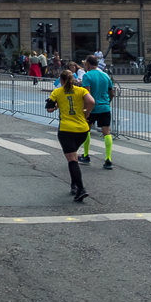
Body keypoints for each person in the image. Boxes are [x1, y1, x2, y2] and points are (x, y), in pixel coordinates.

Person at [45, 69, 94, 202]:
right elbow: (91, 101)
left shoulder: (57, 92)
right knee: (74, 156)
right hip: (82, 129)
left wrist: (55, 107)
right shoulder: (81, 90)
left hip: (66, 129)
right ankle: (74, 185)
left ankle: (81, 188)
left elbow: (49, 108)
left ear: (61, 81)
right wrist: (86, 112)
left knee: (71, 159)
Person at [77, 55, 115, 170]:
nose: (84, 66)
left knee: (86, 130)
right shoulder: (105, 75)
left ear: (88, 64)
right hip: (104, 107)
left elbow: (87, 95)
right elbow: (111, 93)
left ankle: (86, 155)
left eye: (85, 64)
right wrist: (107, 102)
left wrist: (85, 110)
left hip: (92, 108)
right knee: (106, 132)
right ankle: (108, 159)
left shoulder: (87, 76)